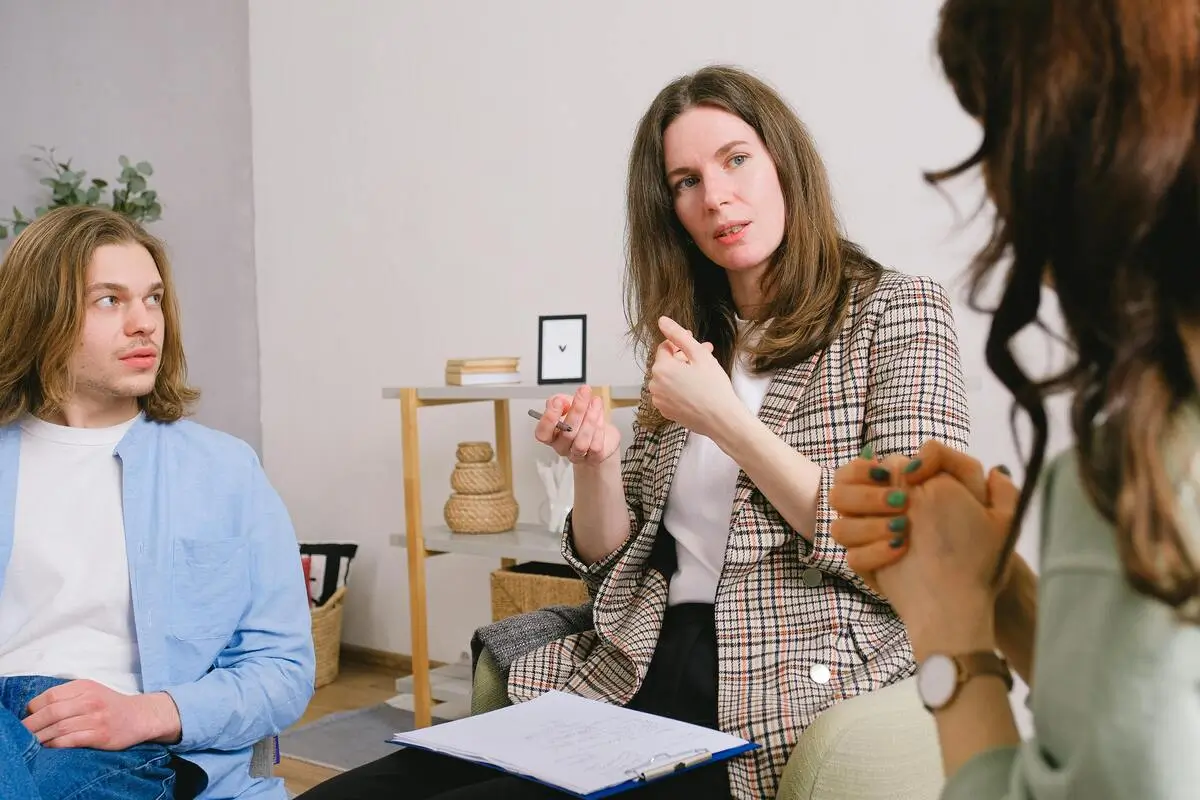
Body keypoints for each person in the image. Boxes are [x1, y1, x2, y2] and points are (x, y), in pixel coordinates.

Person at [302, 65, 970, 800]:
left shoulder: (896, 312)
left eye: (735, 159)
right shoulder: (690, 337)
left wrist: (727, 421)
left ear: (785, 162)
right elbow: (608, 558)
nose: (715, 196)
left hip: (773, 680)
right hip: (637, 658)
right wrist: (598, 462)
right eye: (685, 181)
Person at [828, 1, 1200, 798]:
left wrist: (952, 639)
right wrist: (1012, 602)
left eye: (996, 129)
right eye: (683, 180)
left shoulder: (1143, 481)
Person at [0, 206, 316, 800]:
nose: (144, 323)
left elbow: (284, 673)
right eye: (110, 300)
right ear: (41, 315)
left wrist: (145, 713)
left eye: (153, 298)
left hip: (132, 748)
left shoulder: (224, 471)